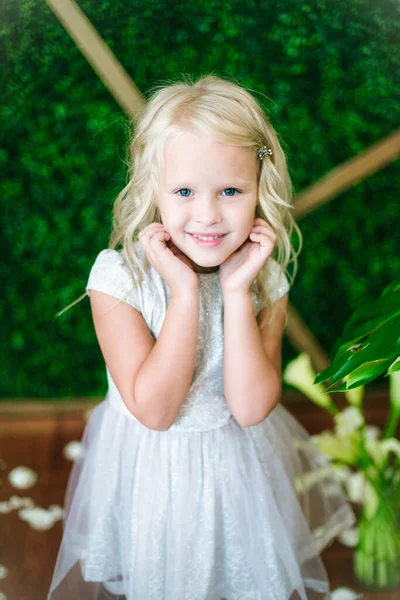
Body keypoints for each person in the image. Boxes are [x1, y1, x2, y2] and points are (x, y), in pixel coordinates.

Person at [48, 74, 356, 600]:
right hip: (151, 471)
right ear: (153, 189)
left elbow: (252, 406)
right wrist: (186, 293)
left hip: (235, 466)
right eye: (185, 191)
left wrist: (235, 294)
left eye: (231, 191)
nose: (209, 214)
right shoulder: (118, 281)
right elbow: (157, 411)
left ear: (260, 190)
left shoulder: (264, 279)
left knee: (236, 574)